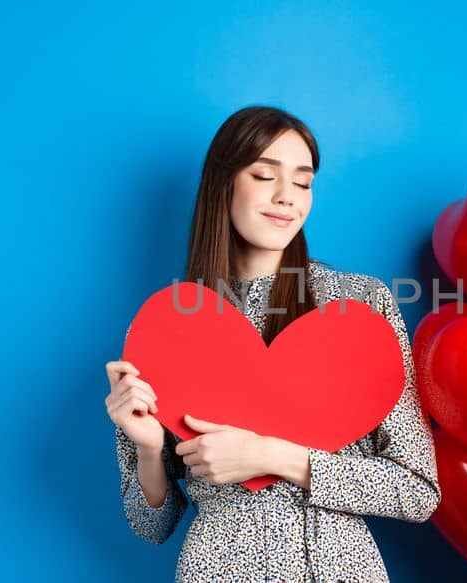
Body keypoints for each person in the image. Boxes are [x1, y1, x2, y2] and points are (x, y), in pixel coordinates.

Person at [103, 105, 441, 581]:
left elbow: (418, 491)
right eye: (265, 175)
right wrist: (146, 447)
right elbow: (151, 524)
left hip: (339, 569)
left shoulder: (358, 305)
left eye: (303, 183)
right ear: (223, 184)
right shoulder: (168, 326)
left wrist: (271, 456)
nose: (287, 197)